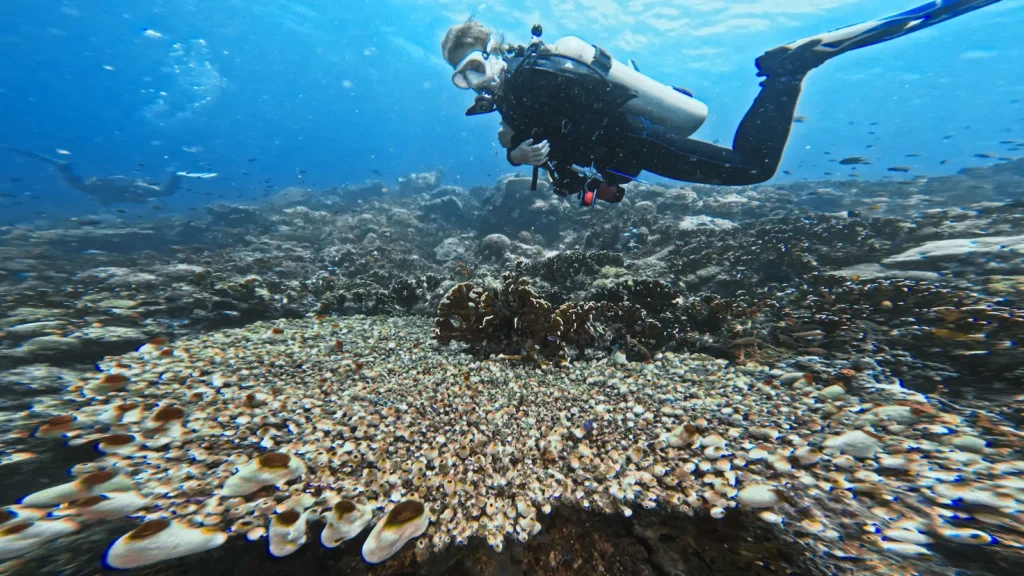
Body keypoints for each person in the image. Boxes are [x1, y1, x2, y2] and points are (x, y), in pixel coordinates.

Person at [442, 0, 1004, 207]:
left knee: (751, 168)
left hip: (631, 136)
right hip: (627, 145)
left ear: (492, 51)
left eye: (473, 68)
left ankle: (788, 71)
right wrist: (523, 159)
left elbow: (590, 112)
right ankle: (787, 72)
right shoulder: (512, 109)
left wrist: (549, 148)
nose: (473, 84)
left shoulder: (533, 74)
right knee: (743, 166)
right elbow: (527, 152)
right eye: (460, 81)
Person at [1, 147, 216, 205]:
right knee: (162, 193)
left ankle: (61, 166)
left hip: (119, 188)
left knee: (162, 193)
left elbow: (111, 193)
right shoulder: (110, 194)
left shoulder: (103, 193)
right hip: (122, 188)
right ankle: (176, 174)